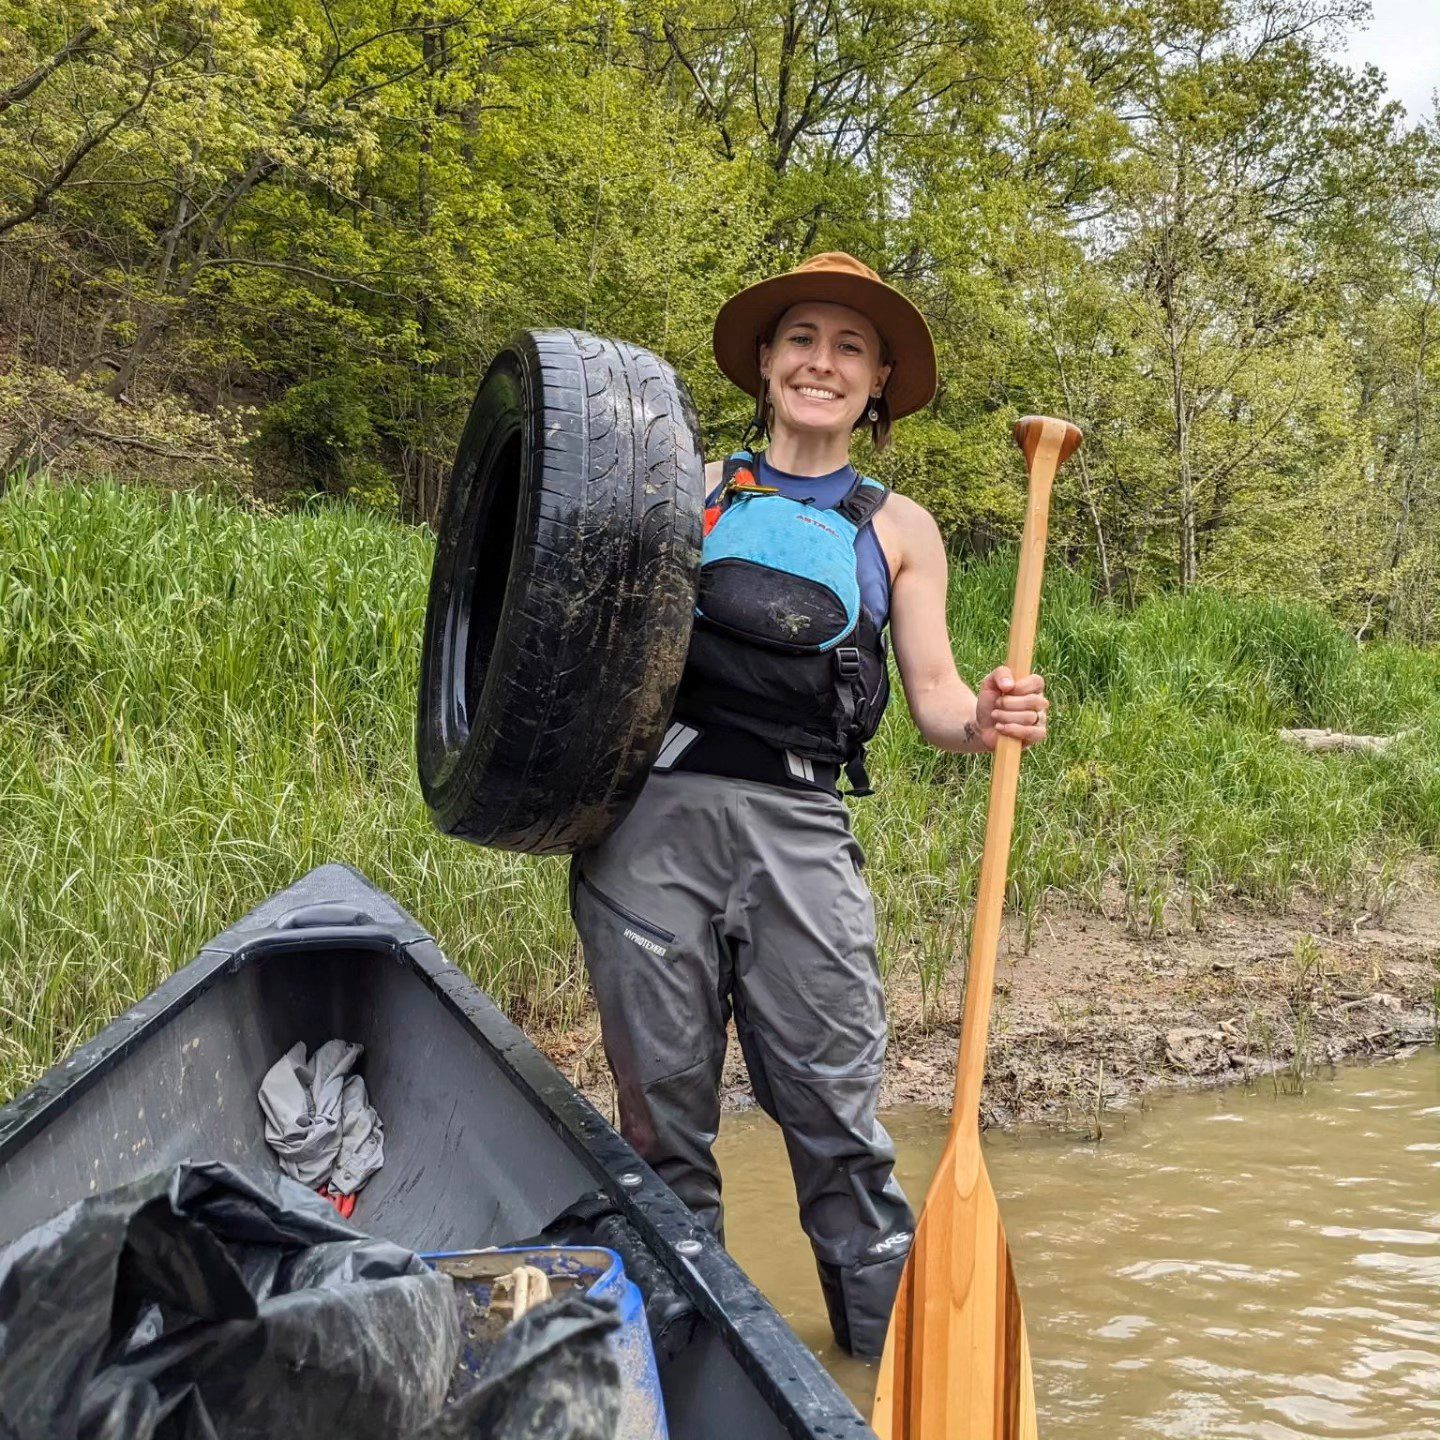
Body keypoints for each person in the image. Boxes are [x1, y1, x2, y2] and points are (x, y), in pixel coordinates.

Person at [569, 252, 1049, 1358]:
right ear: (767, 366)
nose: (820, 363)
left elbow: (933, 701)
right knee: (664, 1131)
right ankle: (696, 1373)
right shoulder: (681, 489)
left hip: (801, 828)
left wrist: (988, 715)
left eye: (847, 347)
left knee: (837, 1120)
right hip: (653, 827)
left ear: (878, 379)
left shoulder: (901, 529)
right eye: (800, 340)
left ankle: (881, 1367)